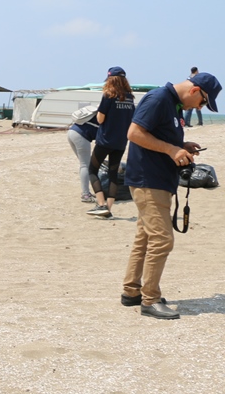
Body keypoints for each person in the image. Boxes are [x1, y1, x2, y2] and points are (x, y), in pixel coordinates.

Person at [122, 71, 219, 319]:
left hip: (156, 179)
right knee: (162, 240)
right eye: (203, 103)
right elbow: (133, 133)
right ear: (196, 91)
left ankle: (132, 292)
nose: (201, 107)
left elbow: (156, 134)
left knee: (145, 237)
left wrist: (181, 147)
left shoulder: (170, 103)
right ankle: (150, 300)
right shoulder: (158, 99)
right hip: (148, 180)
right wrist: (171, 149)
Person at [86, 67, 135, 219]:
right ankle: (108, 208)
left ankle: (101, 204)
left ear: (110, 79)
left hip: (105, 139)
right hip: (121, 141)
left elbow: (100, 119)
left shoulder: (108, 95)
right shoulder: (129, 98)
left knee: (92, 170)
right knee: (113, 173)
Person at [67, 109, 99, 203]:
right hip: (81, 135)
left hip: (72, 132)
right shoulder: (105, 118)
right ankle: (85, 194)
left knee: (84, 164)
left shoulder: (96, 113)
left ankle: (86, 192)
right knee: (86, 165)